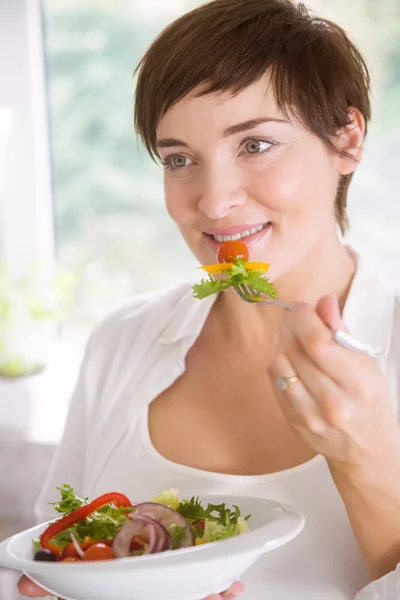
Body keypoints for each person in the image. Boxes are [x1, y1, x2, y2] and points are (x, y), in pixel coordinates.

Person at [17, 0, 400, 598]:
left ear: (346, 139)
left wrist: (371, 459)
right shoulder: (124, 341)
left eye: (256, 145)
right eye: (179, 159)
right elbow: (45, 561)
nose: (215, 202)